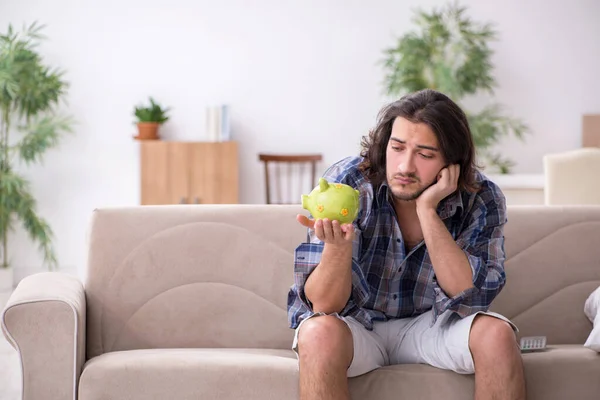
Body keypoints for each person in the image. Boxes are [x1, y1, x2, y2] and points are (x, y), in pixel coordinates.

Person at [287, 89, 526, 400]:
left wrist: (427, 211)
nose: (405, 167)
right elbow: (323, 306)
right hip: (358, 323)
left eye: (425, 155)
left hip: (432, 324)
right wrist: (338, 250)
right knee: (317, 333)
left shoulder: (481, 196)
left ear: (451, 163)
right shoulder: (348, 182)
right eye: (397, 148)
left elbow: (469, 295)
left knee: (497, 335)